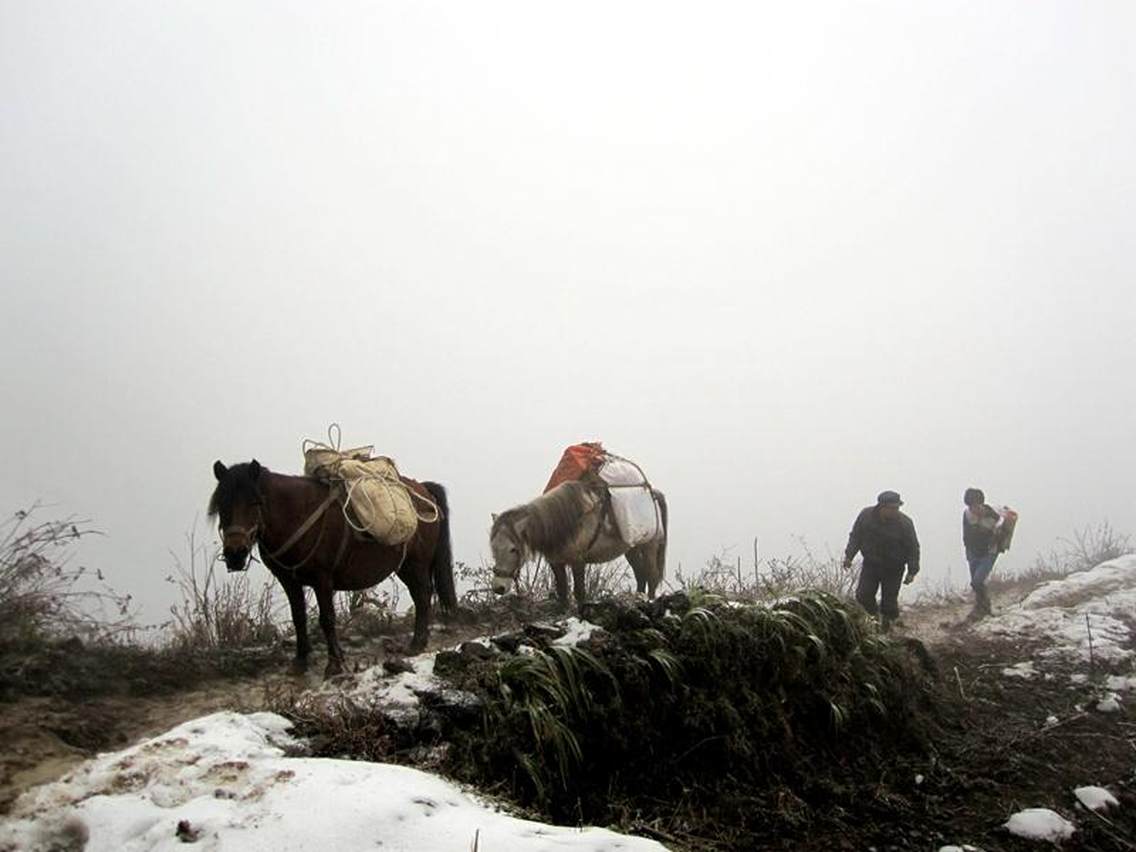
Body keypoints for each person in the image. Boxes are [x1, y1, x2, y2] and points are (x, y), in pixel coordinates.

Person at [843, 491, 921, 632]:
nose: (894, 511)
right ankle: (873, 621)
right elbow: (856, 536)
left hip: (894, 568)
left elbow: (913, 547)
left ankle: (888, 629)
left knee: (889, 603)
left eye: (897, 508)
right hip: (871, 565)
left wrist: (912, 571)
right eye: (891, 508)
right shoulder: (865, 516)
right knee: (862, 595)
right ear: (881, 507)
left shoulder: (905, 523)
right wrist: (849, 556)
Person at [962, 487, 1001, 620]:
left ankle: (985, 607)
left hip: (988, 552)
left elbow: (999, 534)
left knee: (977, 581)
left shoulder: (992, 516)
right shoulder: (967, 515)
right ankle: (980, 607)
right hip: (972, 552)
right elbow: (966, 533)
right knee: (976, 583)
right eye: (971, 505)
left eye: (976, 505)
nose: (974, 509)